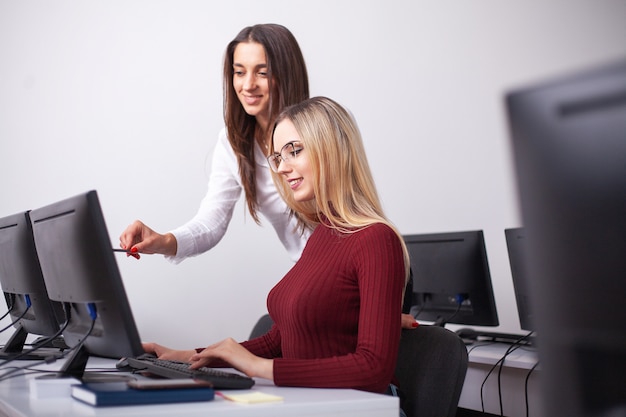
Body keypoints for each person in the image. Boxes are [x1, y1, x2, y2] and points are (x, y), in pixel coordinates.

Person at [118, 23, 417, 329]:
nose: (248, 85)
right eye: (239, 71)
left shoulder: (322, 126)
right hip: (315, 283)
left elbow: (353, 210)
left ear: (284, 74)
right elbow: (212, 221)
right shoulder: (234, 143)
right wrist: (165, 241)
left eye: (261, 72)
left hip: (357, 278)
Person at [144, 96, 411, 397]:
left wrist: (256, 367)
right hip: (311, 402)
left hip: (359, 408)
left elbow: (373, 369)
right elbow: (279, 341)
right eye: (278, 157)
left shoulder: (375, 239)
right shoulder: (323, 235)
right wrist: (187, 356)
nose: (282, 168)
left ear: (331, 150)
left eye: (294, 151)